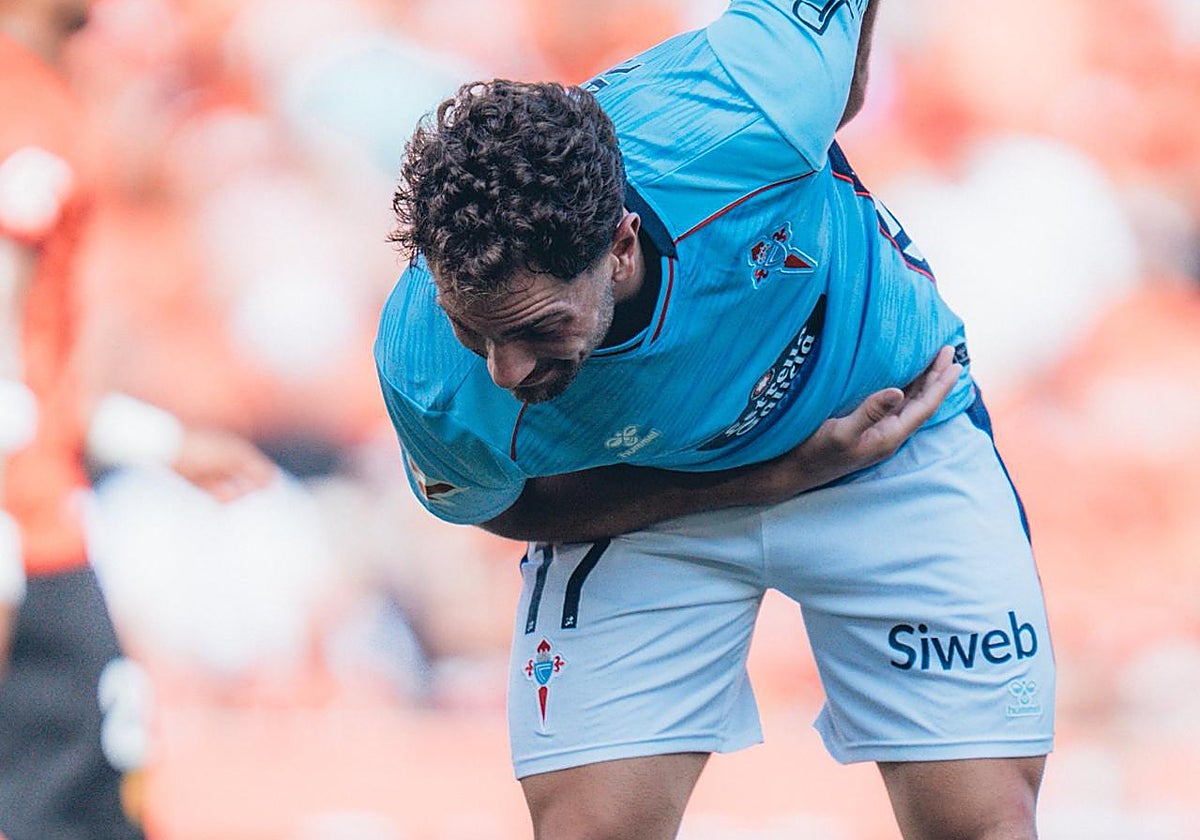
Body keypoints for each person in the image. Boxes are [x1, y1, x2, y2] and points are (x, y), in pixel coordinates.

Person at [374, 1, 1055, 837]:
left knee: (982, 823)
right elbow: (507, 506)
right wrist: (772, 478)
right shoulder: (424, 373)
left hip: (888, 441)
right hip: (643, 494)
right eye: (471, 326)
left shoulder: (754, 100)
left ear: (620, 247)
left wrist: (840, 82)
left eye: (537, 327)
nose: (504, 370)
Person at [0, 1, 276, 837]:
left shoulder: (39, 96)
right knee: (76, 800)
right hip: (31, 529)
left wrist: (155, 441)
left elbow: (34, 378)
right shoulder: (24, 108)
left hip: (39, 511)